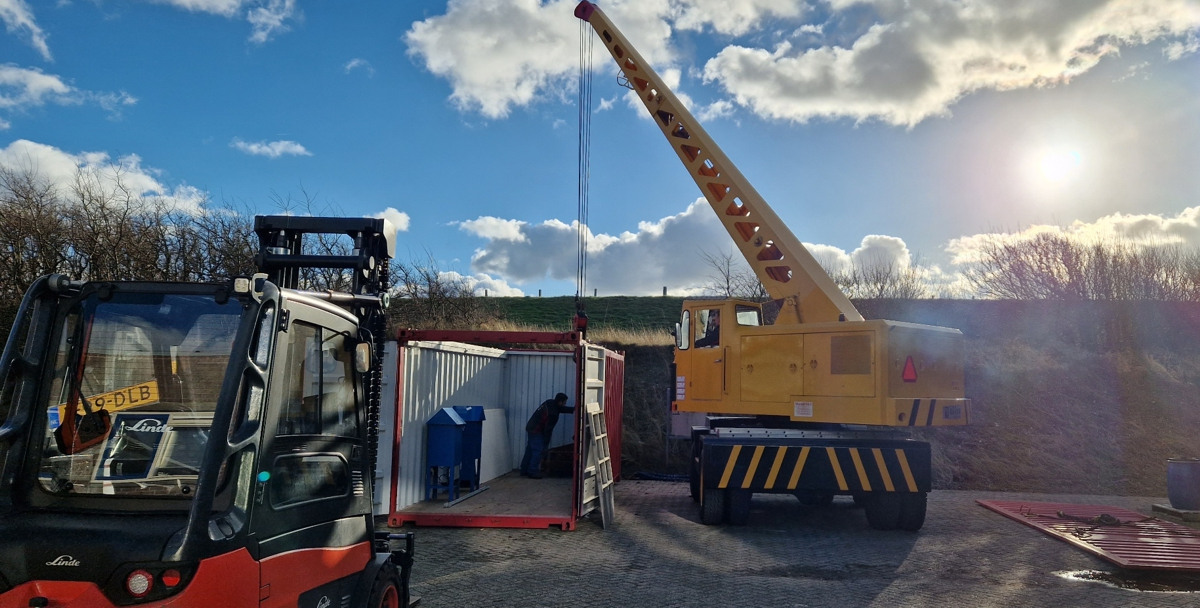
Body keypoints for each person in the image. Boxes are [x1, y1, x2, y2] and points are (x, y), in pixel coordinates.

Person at [520, 392, 574, 479]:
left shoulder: (550, 403)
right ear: (560, 402)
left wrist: (572, 409)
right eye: (564, 402)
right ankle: (532, 472)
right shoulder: (552, 414)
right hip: (536, 430)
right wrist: (546, 441)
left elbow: (560, 409)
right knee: (538, 450)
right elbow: (548, 429)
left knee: (530, 450)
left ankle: (524, 470)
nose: (565, 404)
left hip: (531, 427)